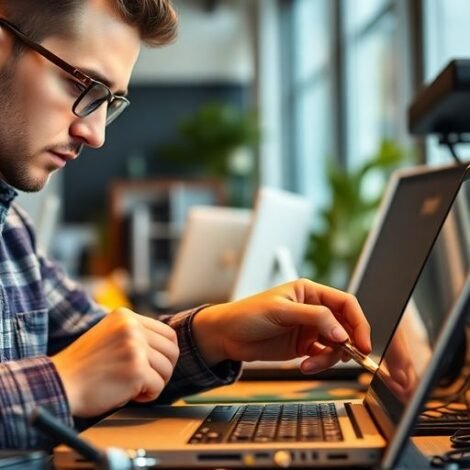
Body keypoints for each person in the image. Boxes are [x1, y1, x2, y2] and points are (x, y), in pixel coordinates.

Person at [0, 0, 371, 450]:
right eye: (85, 85)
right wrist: (63, 380)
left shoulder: (12, 231)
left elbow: (107, 349)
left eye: (109, 102)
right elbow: (83, 367)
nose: (95, 134)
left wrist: (217, 333)